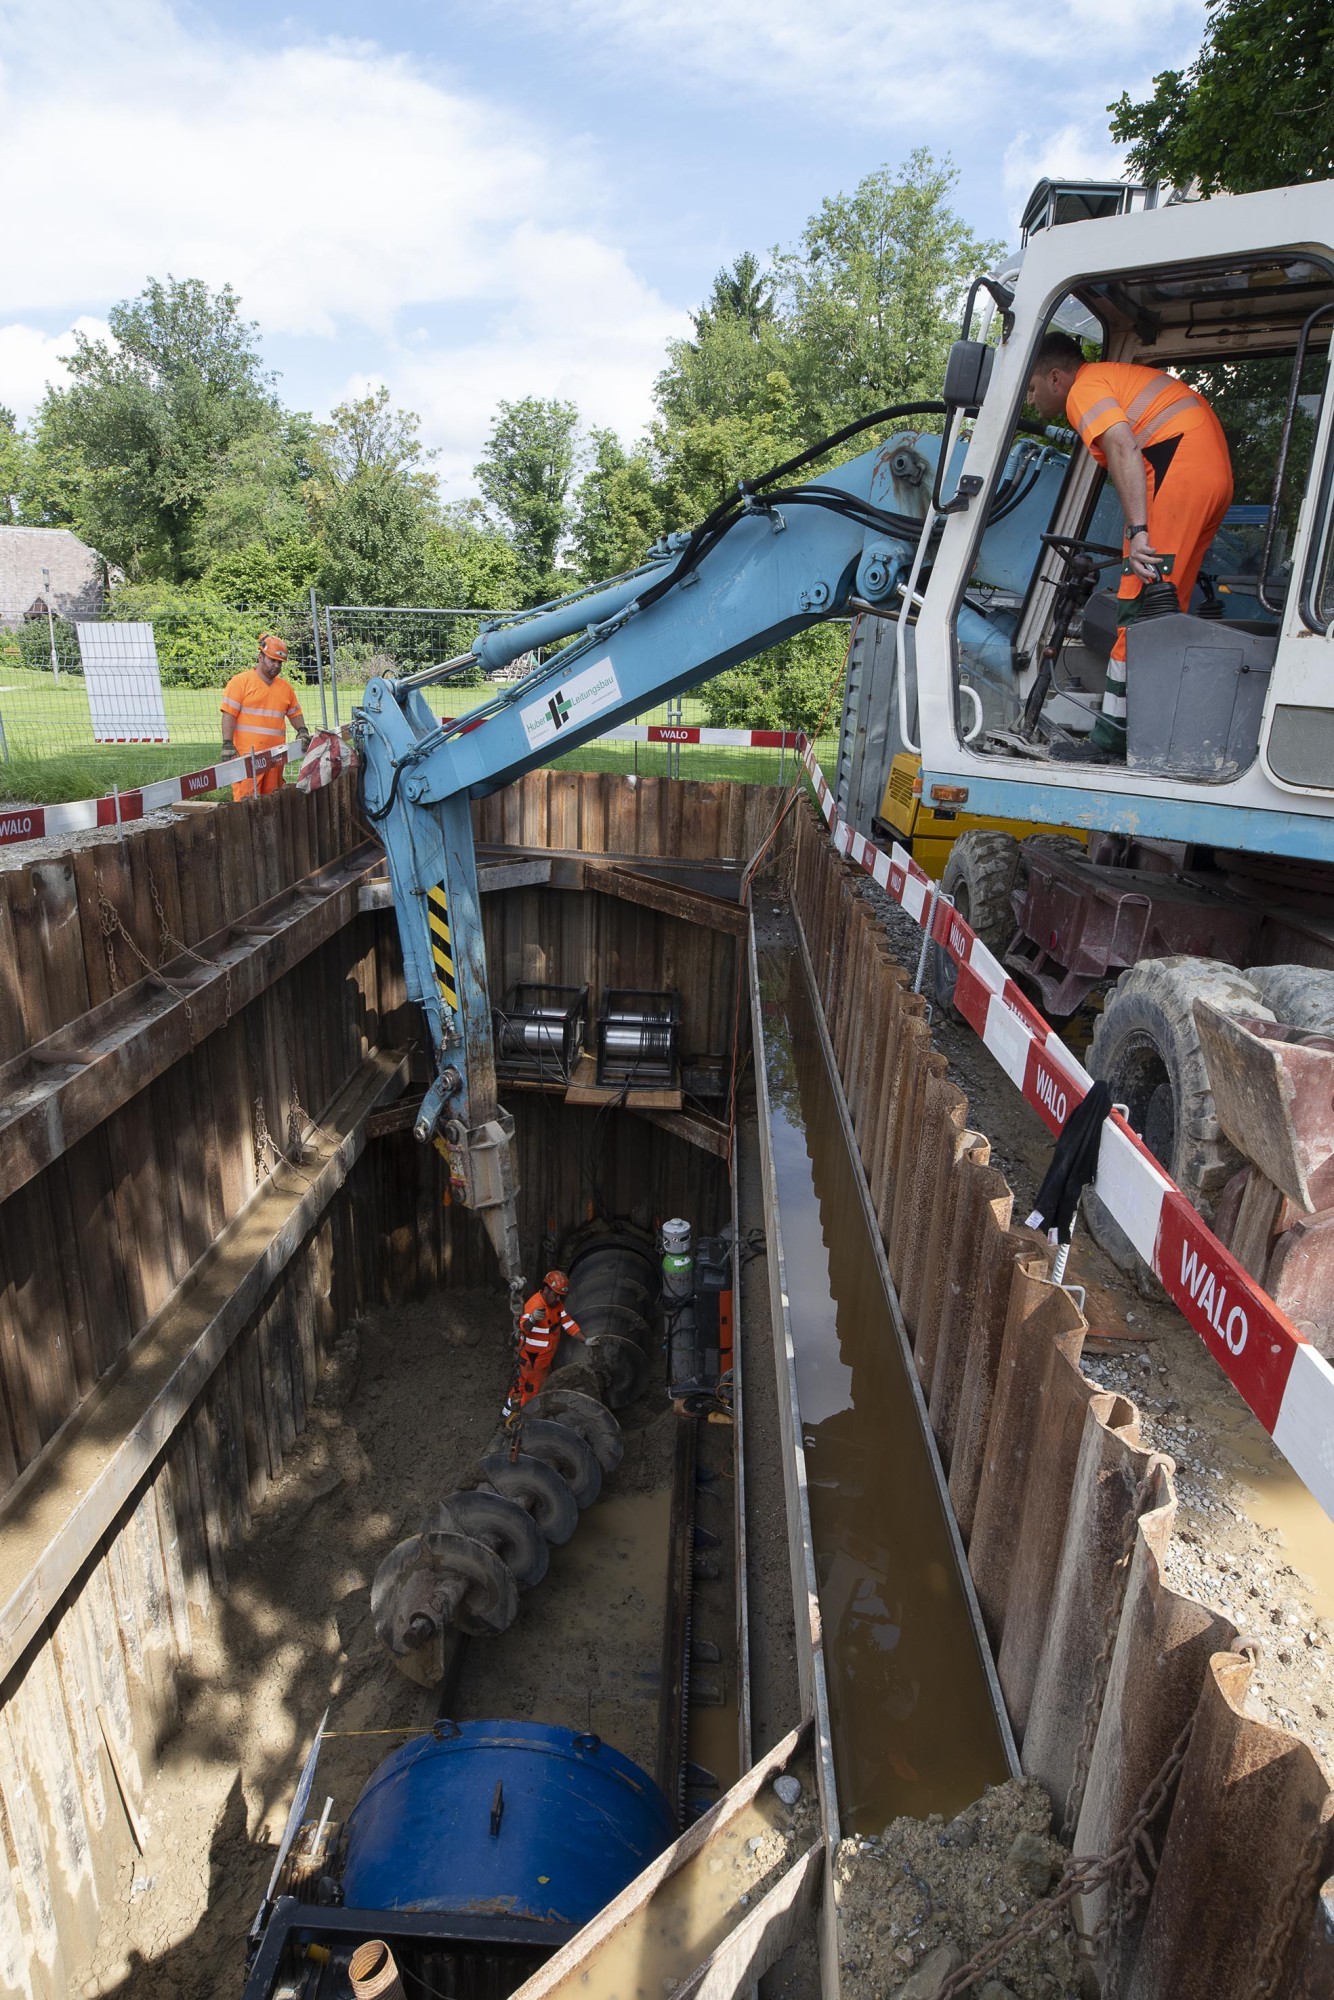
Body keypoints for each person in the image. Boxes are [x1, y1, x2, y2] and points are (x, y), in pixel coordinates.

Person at [1026, 330, 1233, 760]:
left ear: (1056, 379)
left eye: (1031, 388)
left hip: (1179, 474)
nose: (1029, 401)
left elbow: (1123, 445)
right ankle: (1157, 732)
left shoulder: (1083, 390)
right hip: (1209, 474)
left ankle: (1111, 744)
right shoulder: (1111, 378)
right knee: (1165, 610)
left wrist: (1139, 531)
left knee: (1138, 607)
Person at [220, 634, 310, 800]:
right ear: (260, 657)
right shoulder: (240, 682)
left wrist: (302, 730)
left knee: (272, 802)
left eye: (279, 663)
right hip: (248, 760)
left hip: (275, 758)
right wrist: (227, 743)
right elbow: (229, 714)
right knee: (247, 803)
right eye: (272, 660)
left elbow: (295, 713)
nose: (276, 666)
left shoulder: (285, 688)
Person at [502, 1270, 583, 1418]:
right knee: (531, 1389)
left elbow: (567, 1323)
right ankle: (524, 1418)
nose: (558, 1298)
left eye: (560, 1295)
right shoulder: (534, 1304)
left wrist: (585, 1340)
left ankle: (509, 1412)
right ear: (546, 1289)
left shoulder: (557, 1305)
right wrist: (532, 1320)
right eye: (555, 1294)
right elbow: (523, 1328)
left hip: (543, 1359)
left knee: (521, 1385)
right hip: (533, 1360)